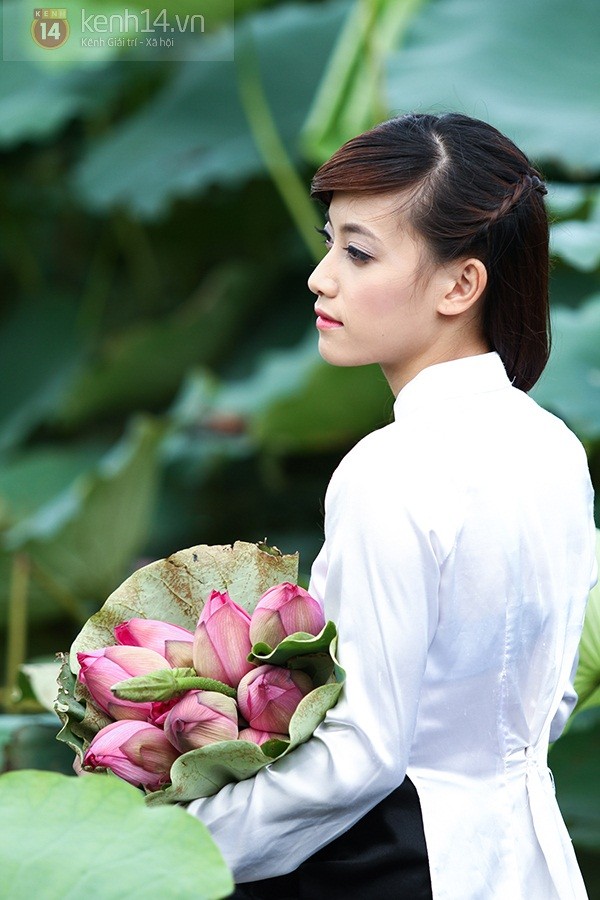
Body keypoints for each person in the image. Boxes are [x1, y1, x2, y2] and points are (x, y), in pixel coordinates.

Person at [187, 113, 597, 899]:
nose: (322, 277)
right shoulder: (555, 449)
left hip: (400, 867)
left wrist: (185, 837)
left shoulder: (390, 471)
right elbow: (550, 700)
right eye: (330, 242)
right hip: (533, 859)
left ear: (460, 284)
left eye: (359, 252)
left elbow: (361, 754)